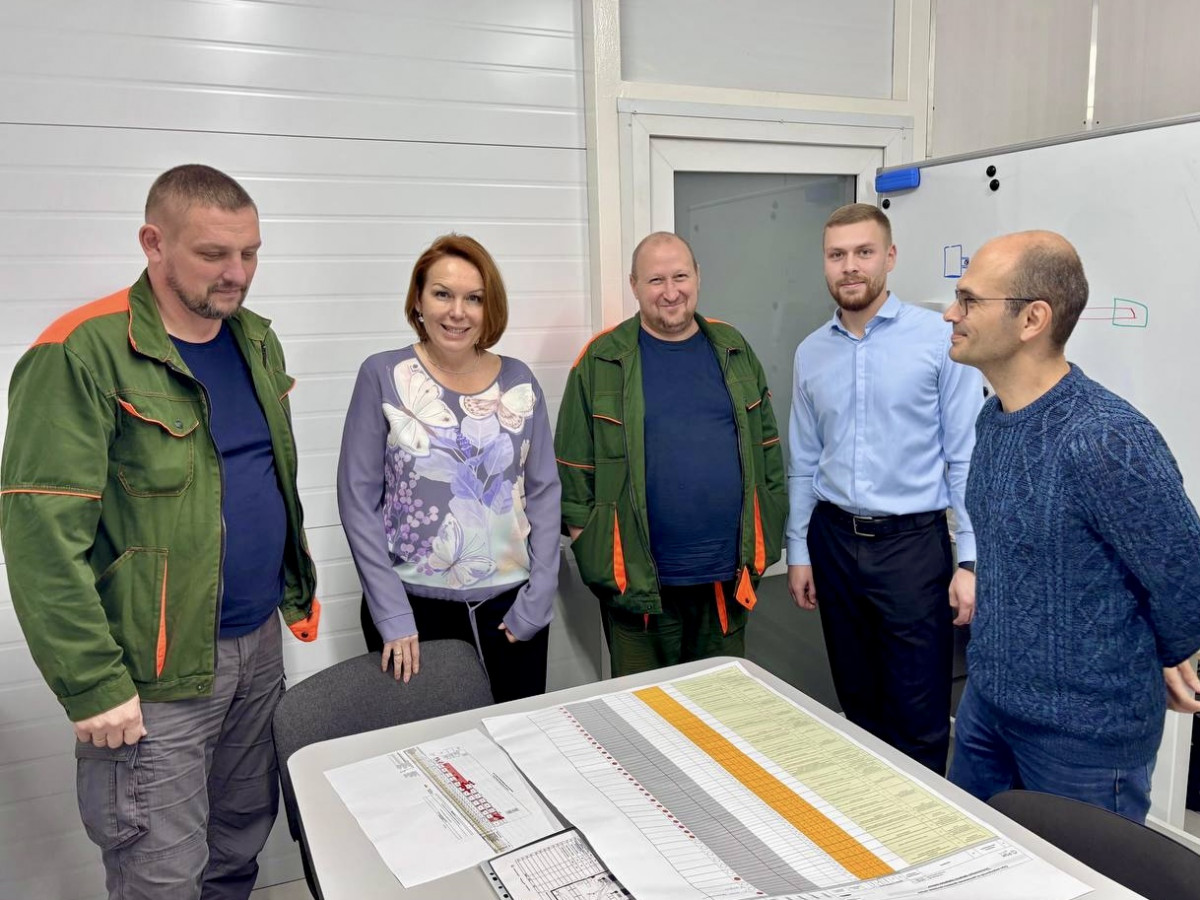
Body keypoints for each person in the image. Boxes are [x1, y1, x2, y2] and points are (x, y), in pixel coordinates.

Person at [0, 164, 319, 900]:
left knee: (238, 845)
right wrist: (92, 684)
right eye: (213, 254)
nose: (237, 273)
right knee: (161, 875)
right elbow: (41, 539)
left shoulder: (255, 341)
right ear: (153, 243)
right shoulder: (80, 352)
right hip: (154, 678)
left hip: (257, 648)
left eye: (250, 252)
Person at [943, 229, 1200, 822]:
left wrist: (1156, 654)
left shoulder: (1105, 438)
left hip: (1083, 740)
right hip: (989, 707)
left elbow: (1184, 572)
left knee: (1082, 872)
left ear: (1032, 319)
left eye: (970, 301)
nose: (952, 314)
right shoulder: (993, 418)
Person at [786, 203, 984, 773]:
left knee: (919, 714)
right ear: (825, 262)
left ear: (889, 257)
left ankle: (923, 821)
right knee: (858, 705)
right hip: (833, 542)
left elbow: (964, 457)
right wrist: (798, 550)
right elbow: (803, 460)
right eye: (837, 254)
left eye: (864, 252)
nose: (850, 266)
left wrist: (970, 559)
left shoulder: (938, 340)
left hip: (912, 548)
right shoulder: (810, 352)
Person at [337, 234, 560, 703]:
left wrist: (539, 597)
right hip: (413, 616)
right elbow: (358, 500)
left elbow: (543, 492)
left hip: (511, 612)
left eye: (473, 298)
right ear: (418, 300)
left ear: (488, 307)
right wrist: (392, 614)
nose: (457, 312)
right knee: (427, 746)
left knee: (514, 741)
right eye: (442, 294)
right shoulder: (383, 375)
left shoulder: (519, 380)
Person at [555, 232, 787, 677]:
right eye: (655, 280)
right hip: (638, 585)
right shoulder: (601, 360)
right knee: (644, 709)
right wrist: (594, 546)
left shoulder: (733, 348)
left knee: (721, 705)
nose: (670, 291)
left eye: (680, 276)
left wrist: (769, 523)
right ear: (634, 285)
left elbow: (768, 449)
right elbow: (573, 469)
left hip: (726, 579)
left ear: (698, 276)